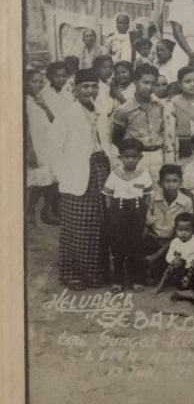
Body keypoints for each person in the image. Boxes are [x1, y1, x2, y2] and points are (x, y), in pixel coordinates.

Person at [48, 69, 113, 289]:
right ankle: (72, 273)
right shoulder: (67, 115)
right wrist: (60, 177)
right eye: (85, 86)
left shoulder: (101, 113)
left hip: (100, 169)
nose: (90, 91)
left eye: (94, 86)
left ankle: (95, 273)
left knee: (99, 223)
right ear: (75, 89)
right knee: (77, 225)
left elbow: (105, 141)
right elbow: (54, 148)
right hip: (75, 175)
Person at [101, 138, 154, 292]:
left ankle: (136, 280)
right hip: (118, 213)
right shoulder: (115, 174)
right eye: (126, 156)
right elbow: (108, 196)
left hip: (137, 213)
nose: (130, 160)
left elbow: (148, 196)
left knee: (135, 248)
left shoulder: (143, 175)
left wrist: (145, 214)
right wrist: (112, 214)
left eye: (134, 156)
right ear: (120, 157)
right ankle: (118, 281)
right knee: (118, 248)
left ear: (140, 157)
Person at [112, 64, 171, 182]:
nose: (149, 87)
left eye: (153, 83)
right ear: (135, 82)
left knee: (157, 192)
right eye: (145, 82)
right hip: (136, 158)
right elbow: (116, 137)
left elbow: (163, 131)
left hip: (157, 156)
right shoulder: (124, 109)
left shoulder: (159, 105)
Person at [144, 164, 194, 281]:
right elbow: (147, 217)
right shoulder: (154, 196)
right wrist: (148, 224)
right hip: (154, 237)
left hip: (174, 239)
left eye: (174, 181)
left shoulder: (186, 201)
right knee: (143, 238)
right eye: (167, 181)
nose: (171, 185)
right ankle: (150, 269)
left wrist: (158, 254)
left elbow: (188, 226)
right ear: (160, 183)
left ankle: (156, 261)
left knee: (178, 246)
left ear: (181, 182)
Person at [154, 212, 194, 296]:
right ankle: (161, 286)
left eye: (187, 230)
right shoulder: (175, 241)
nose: (183, 233)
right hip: (181, 273)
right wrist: (173, 260)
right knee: (176, 261)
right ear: (175, 229)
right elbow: (168, 256)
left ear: (193, 230)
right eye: (180, 229)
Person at [25, 69, 58, 226]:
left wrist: (44, 106)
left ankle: (48, 211)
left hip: (47, 144)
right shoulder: (23, 102)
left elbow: (53, 121)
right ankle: (30, 212)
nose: (38, 84)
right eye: (34, 81)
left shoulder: (40, 99)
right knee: (38, 181)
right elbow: (24, 129)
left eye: (40, 81)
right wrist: (30, 150)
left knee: (51, 179)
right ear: (25, 83)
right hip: (35, 146)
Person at [92, 55, 117, 120]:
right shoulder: (96, 85)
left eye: (110, 67)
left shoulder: (108, 83)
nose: (108, 70)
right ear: (96, 69)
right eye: (104, 67)